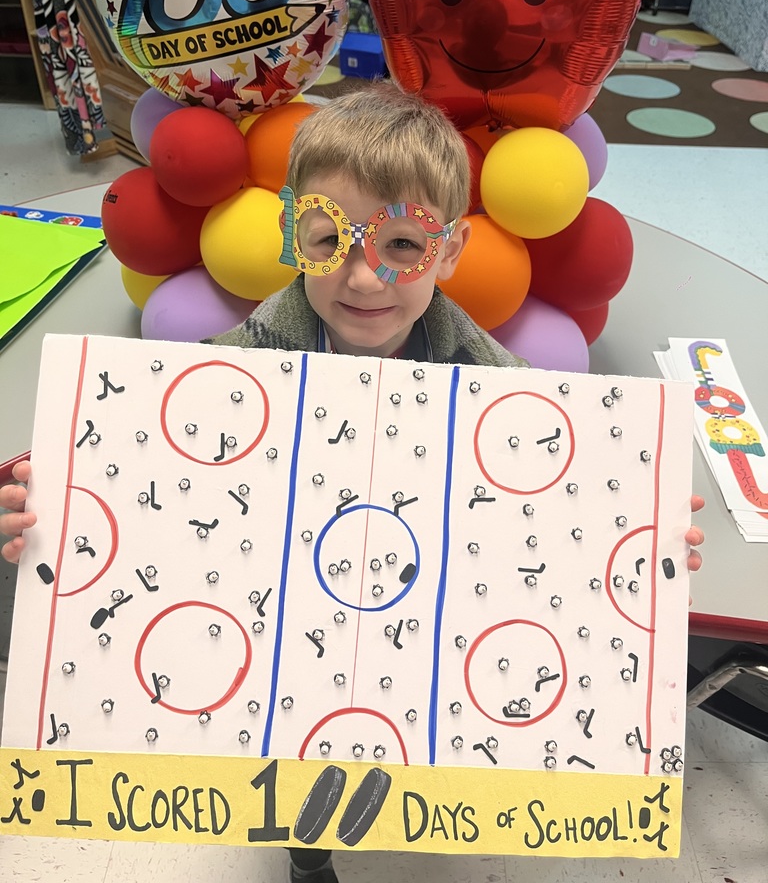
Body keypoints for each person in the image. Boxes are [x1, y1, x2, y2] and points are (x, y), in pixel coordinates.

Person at [0, 82, 704, 883]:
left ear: (450, 251)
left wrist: (636, 522)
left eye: (402, 245)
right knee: (303, 734)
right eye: (328, 238)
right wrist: (50, 507)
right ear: (291, 235)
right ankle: (309, 854)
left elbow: (552, 498)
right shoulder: (228, 372)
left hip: (420, 611)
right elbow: (154, 481)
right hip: (285, 612)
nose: (365, 277)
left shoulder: (496, 382)